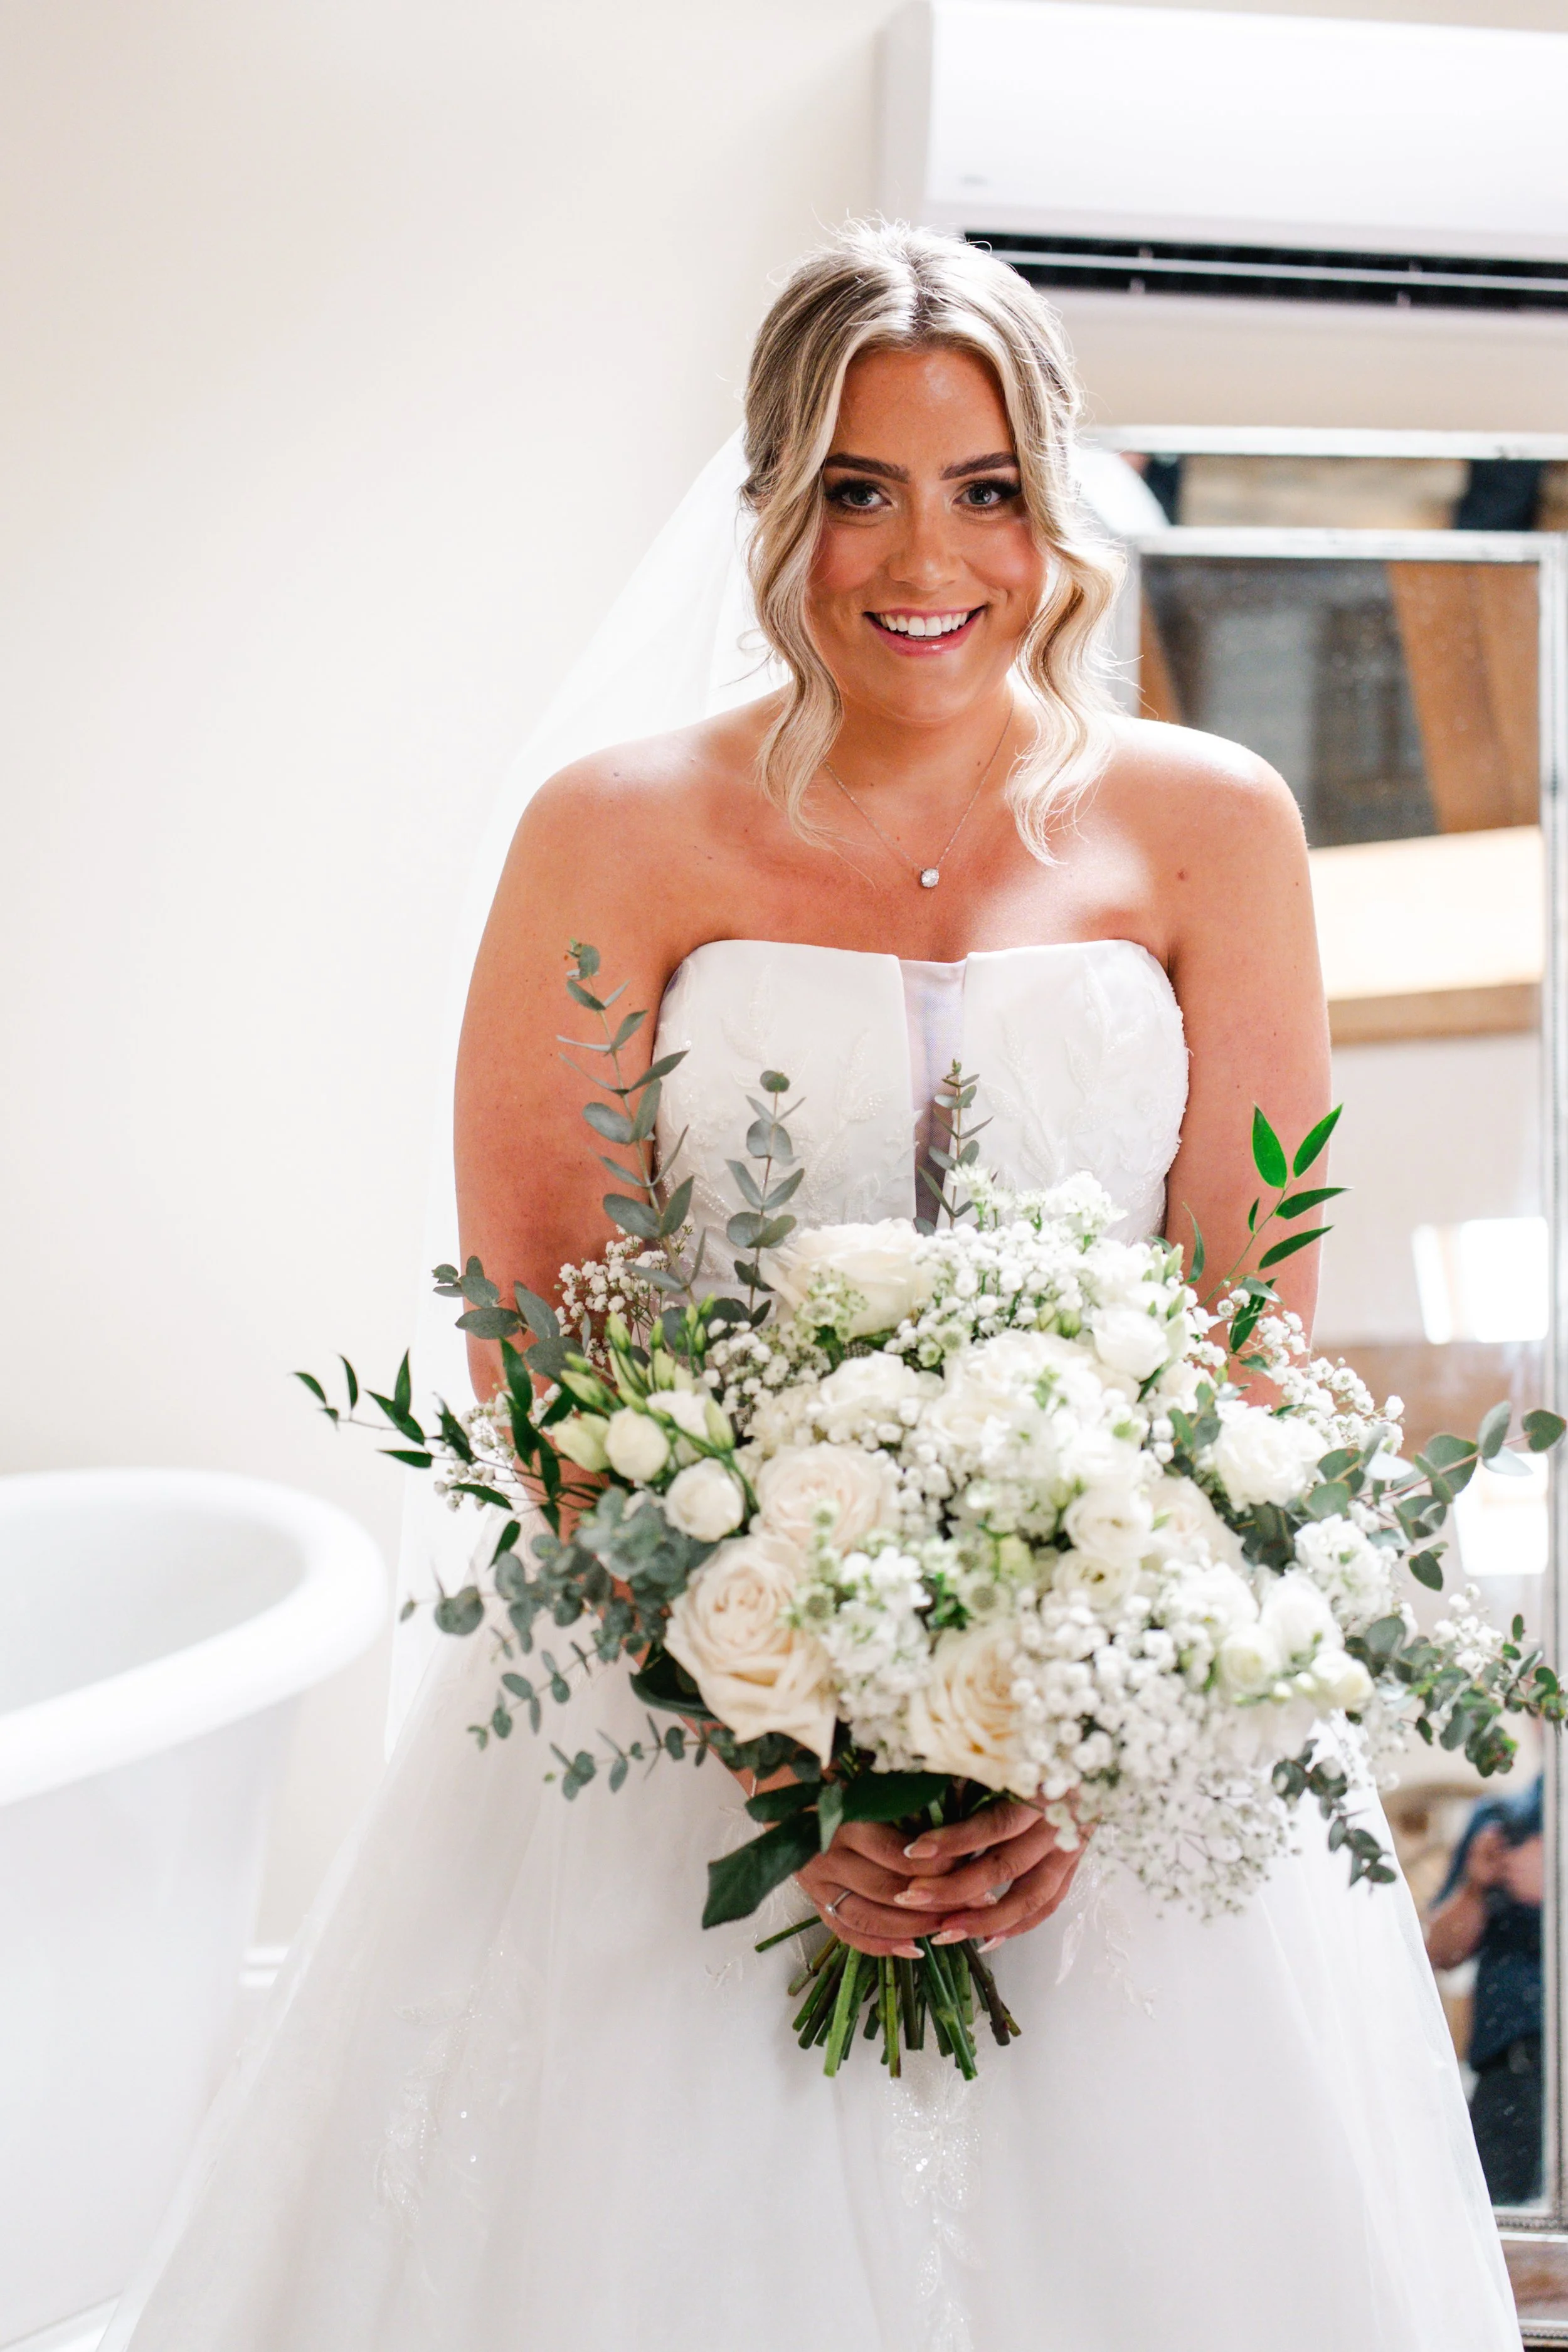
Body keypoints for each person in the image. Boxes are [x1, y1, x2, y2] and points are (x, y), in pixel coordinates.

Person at [104, 222, 1520, 2351]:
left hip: (1110, 1739)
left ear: (1056, 511)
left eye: (983, 489)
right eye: (858, 488)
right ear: (772, 502)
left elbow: (1247, 1321)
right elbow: (543, 1310)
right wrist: (787, 1758)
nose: (921, 556)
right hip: (674, 1705)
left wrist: (1059, 1730)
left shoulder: (1211, 824)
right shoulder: (617, 831)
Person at [1426, 1772, 1545, 2204]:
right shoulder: (1502, 1820)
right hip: (1511, 2074)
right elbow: (1438, 1953)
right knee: (1492, 2224)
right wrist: (1475, 1885)